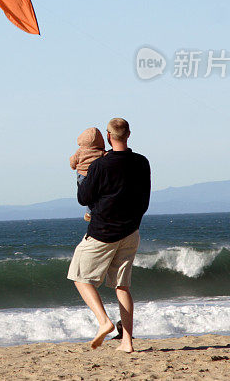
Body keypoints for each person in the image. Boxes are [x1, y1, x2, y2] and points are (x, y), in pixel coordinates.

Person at [66, 117, 151, 353]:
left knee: (79, 276)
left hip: (103, 232)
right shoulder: (142, 162)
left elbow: (84, 198)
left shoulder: (100, 166)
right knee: (122, 286)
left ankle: (104, 321)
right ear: (129, 134)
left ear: (109, 137)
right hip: (131, 231)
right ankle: (127, 343)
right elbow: (144, 200)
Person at [69, 127, 107, 221]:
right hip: (95, 176)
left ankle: (89, 213)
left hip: (81, 175)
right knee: (96, 194)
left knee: (87, 195)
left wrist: (74, 165)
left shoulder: (80, 151)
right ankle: (91, 212)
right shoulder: (101, 152)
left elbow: (73, 163)